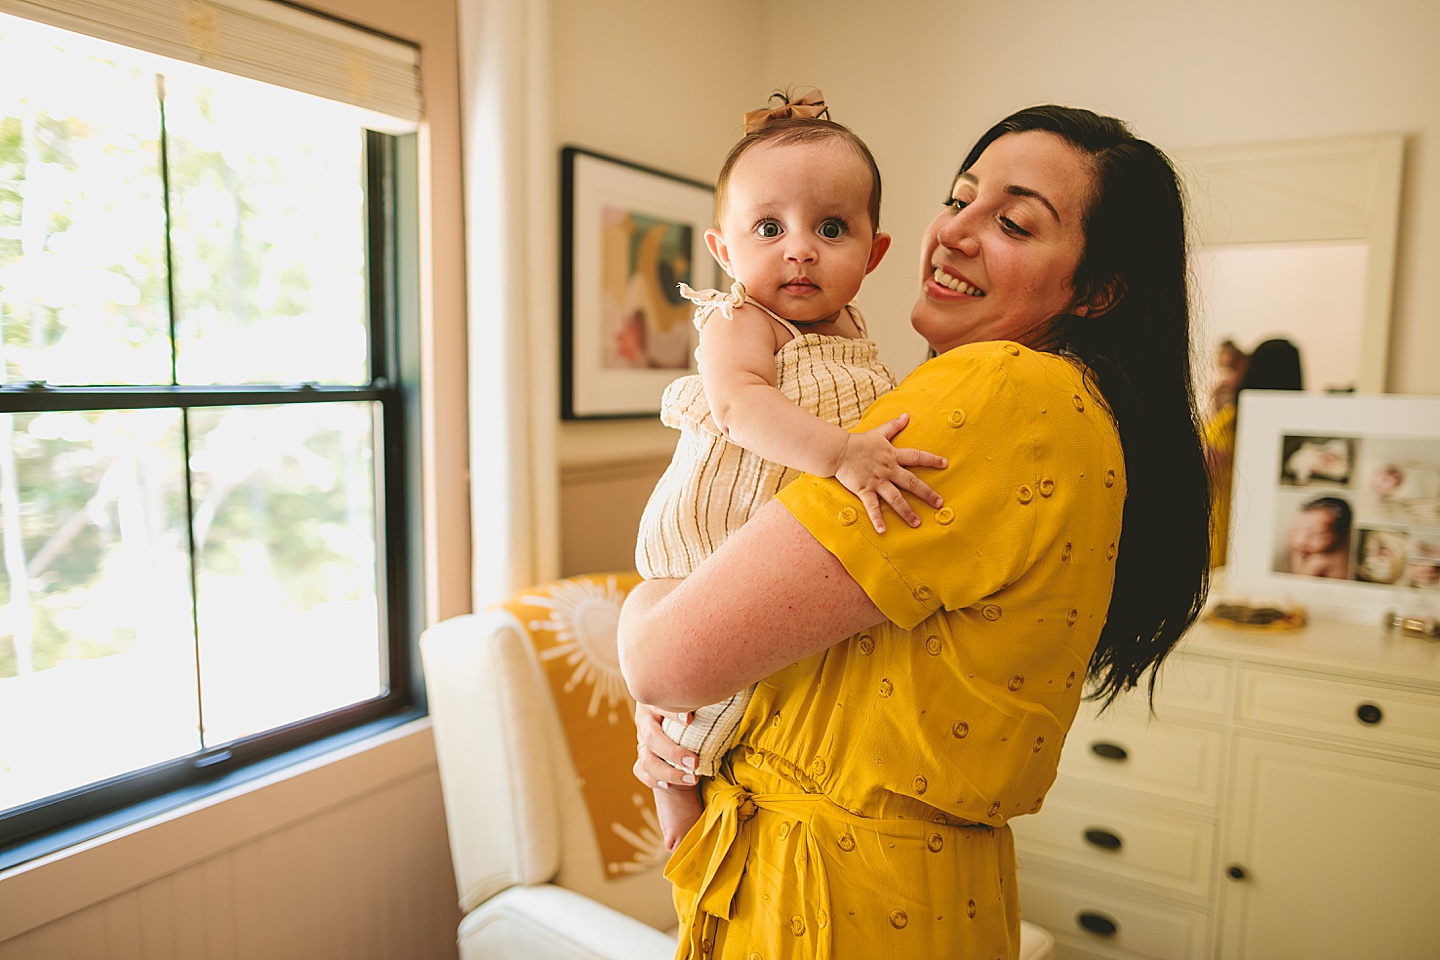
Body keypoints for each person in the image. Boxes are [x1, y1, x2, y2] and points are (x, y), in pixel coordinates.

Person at [619, 105, 1212, 959]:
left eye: (1011, 221)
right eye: (959, 198)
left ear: (1097, 290)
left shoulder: (1000, 389)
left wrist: (650, 614)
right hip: (901, 887)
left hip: (837, 902)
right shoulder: (1069, 407)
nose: (957, 232)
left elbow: (662, 660)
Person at [634, 89, 946, 853]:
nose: (799, 248)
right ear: (723, 250)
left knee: (749, 699)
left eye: (830, 227)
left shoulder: (856, 333)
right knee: (693, 718)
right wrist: (844, 456)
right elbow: (740, 405)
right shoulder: (738, 318)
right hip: (708, 546)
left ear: (874, 254)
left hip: (770, 549)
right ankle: (676, 821)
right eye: (769, 228)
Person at [1204, 337, 1303, 567]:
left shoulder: (1231, 421)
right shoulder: (1297, 429)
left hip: (1223, 530)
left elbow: (1204, 468)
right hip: (1268, 535)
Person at [1286, 496, 1352, 578]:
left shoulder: (1320, 560)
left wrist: (1296, 553)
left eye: (1316, 534)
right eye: (1296, 531)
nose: (1302, 541)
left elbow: (1299, 578)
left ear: (1340, 537)